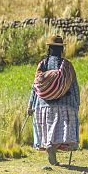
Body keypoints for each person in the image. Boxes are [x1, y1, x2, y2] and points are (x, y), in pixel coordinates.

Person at [27, 35, 80, 165]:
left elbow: (35, 87)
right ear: (61, 49)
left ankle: (51, 149)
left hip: (42, 105)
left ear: (49, 49)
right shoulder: (67, 65)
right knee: (60, 131)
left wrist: (30, 106)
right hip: (64, 104)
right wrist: (76, 103)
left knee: (48, 129)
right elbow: (74, 87)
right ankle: (53, 147)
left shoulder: (42, 65)